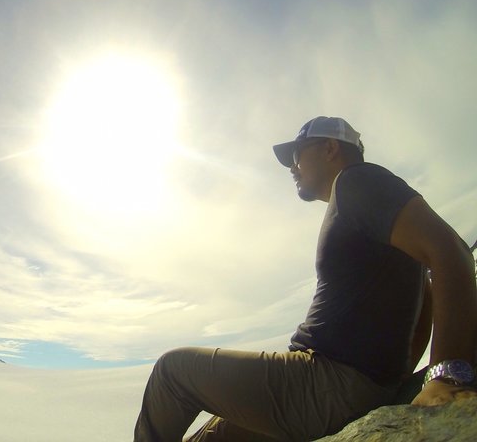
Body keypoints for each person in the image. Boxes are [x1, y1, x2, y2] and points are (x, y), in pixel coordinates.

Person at [133, 116, 477, 442]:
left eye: (297, 155)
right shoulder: (369, 210)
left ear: (330, 148)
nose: (292, 168)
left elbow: (453, 254)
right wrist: (396, 380)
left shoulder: (357, 180)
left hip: (324, 381)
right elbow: (425, 298)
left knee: (172, 373)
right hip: (335, 386)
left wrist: (445, 376)